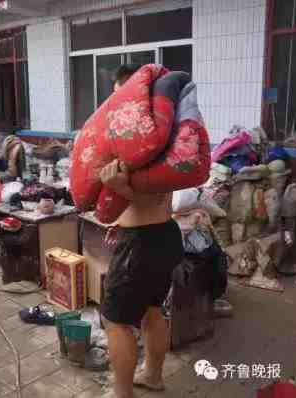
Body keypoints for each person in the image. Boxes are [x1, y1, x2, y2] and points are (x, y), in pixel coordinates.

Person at [99, 64, 184, 398]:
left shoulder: (148, 139)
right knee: (151, 311)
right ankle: (153, 377)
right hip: (161, 236)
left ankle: (122, 393)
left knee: (116, 321)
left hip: (143, 244)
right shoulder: (163, 133)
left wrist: (119, 185)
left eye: (126, 92)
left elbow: (153, 197)